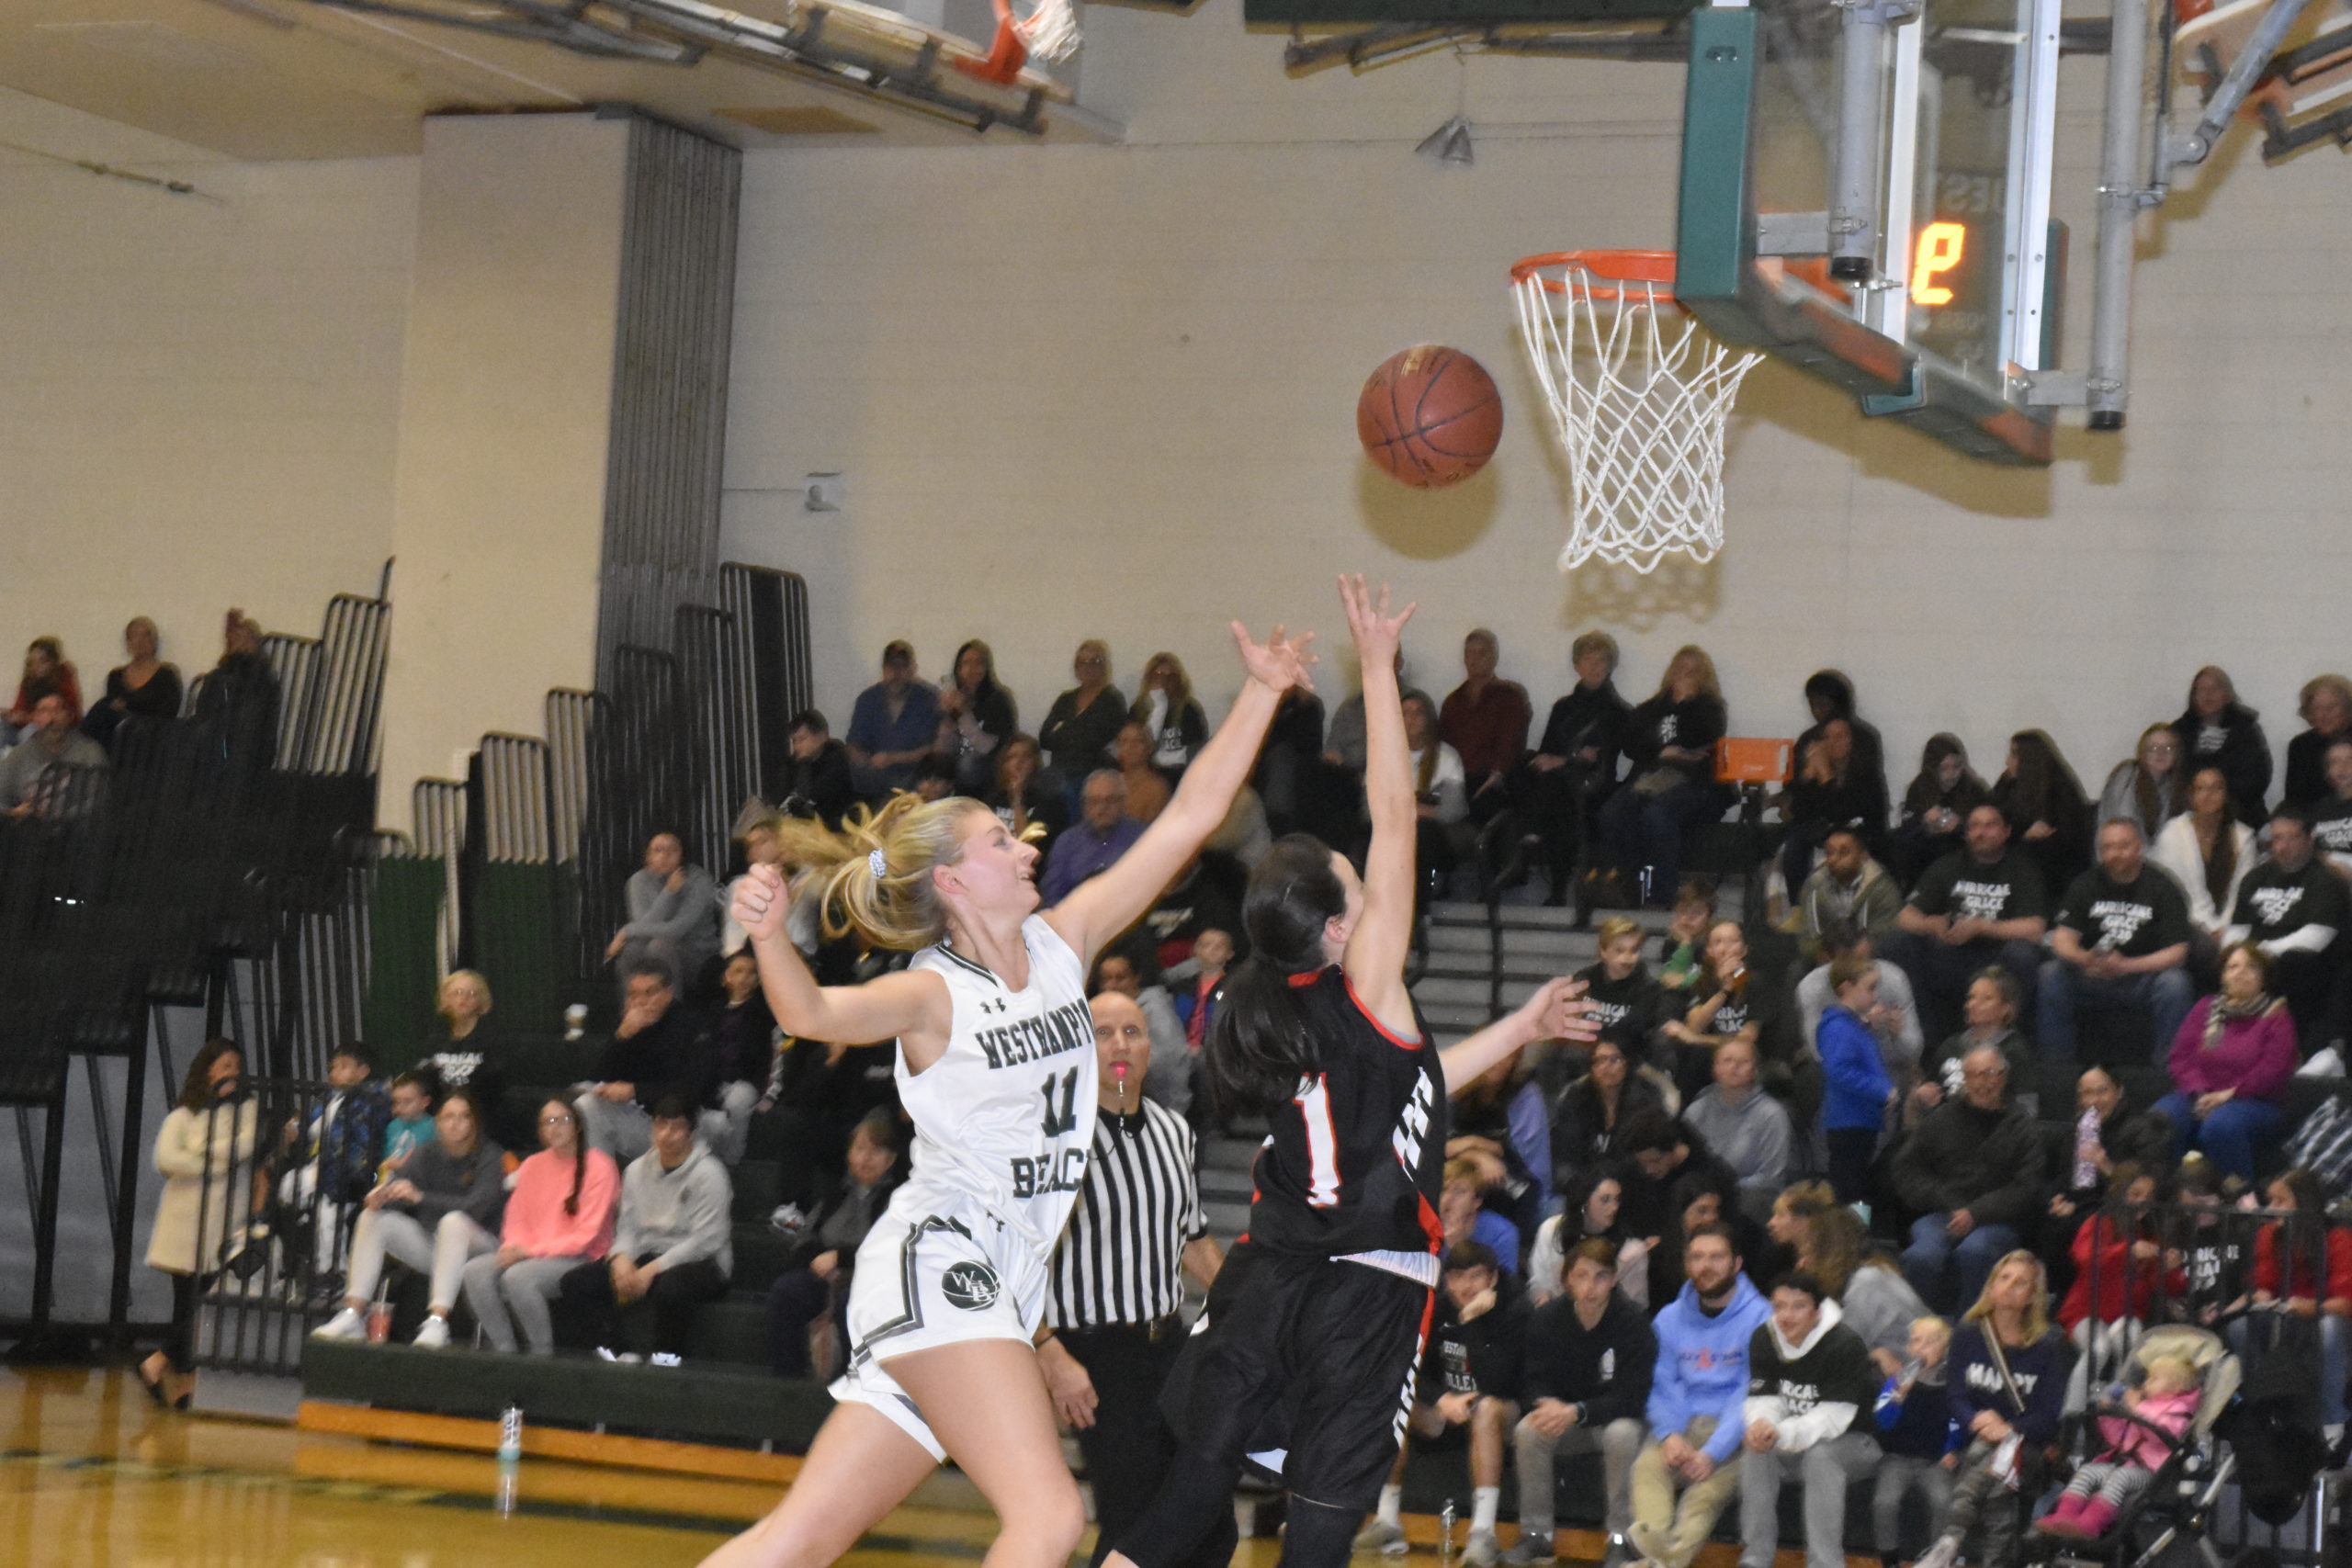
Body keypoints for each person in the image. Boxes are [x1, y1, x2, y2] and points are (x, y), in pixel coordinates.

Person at [698, 611, 1314, 1568]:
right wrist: (771, 933)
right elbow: (813, 1013)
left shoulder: (1064, 944)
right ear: (951, 882)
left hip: (999, 1275)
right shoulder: (930, 994)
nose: (1029, 847)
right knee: (1051, 1520)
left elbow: (1191, 814)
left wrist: (1266, 695)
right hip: (942, 1262)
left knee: (798, 1539)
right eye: (1000, 840)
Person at [1104, 580, 1594, 1568]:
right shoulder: (1368, 982)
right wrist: (1377, 666)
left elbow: (1415, 1088)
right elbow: (1395, 814)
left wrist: (1522, 1024)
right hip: (1364, 1287)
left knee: (1188, 1495)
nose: (1366, 875)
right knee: (1321, 1531)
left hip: (1270, 1271)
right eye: (1348, 874)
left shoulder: (1282, 1003)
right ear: (1336, 928)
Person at [1037, 992, 1223, 1567]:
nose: (1120, 1044)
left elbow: (1193, 1240)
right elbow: (1012, 1257)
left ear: (1151, 1047)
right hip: (1093, 1353)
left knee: (1207, 1524)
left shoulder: (1175, 1131)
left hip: (1167, 1344)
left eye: (1133, 1031)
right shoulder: (1052, 1134)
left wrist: (1247, 1313)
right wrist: (1050, 1354)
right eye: (1103, 1032)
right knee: (1133, 1522)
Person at [1362, 1243, 1530, 1565]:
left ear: (1493, 1278)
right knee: (1394, 1400)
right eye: (1457, 1278)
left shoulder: (1515, 1311)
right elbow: (1408, 1368)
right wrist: (1441, 1398)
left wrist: (1471, 1322)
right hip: (1450, 1409)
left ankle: (1483, 1533)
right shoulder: (1436, 1309)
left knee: (1486, 1408)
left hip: (1503, 1412)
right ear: (1446, 1280)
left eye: (1476, 1277)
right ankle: (1388, 1519)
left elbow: (1499, 1382)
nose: (1466, 1287)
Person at [311, 1087, 507, 1348]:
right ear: (438, 1122)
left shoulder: (490, 1155)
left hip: (481, 1248)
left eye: (464, 1117)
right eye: (448, 1117)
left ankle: (438, 1322)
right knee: (373, 1218)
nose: (455, 1124)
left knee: (453, 1222)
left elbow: (477, 1207)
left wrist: (421, 1198)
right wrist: (382, 1199)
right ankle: (353, 1314)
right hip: (436, 1247)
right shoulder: (426, 1153)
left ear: (474, 1122)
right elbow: (402, 1198)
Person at [1626, 1224, 1773, 1568]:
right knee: (1647, 1468)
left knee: (1702, 1498)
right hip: (1681, 1423)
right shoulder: (1669, 1318)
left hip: (1733, 1433)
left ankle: (1656, 1561)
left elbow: (1749, 1392)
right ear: (1687, 1264)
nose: (1706, 1266)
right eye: (1697, 1257)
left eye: (1716, 1257)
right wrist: (1670, 1434)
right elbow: (1662, 1383)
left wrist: (1711, 1453)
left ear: (1736, 1263)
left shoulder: (1761, 1317)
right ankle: (1659, 1555)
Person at [1505, 1237, 1657, 1567]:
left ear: (1615, 1279)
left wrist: (1578, 1411)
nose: (1591, 1286)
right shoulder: (1546, 1319)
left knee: (1623, 1434)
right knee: (1528, 1431)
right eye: (1582, 1276)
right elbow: (1531, 1380)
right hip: (1566, 1421)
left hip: (1612, 1420)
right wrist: (1545, 1406)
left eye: (1601, 1276)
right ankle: (1537, 1536)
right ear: (1566, 1278)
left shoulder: (1632, 1323)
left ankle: (1620, 1538)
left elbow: (1634, 1397)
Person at [1911, 1252, 2068, 1568]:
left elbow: (2049, 1415)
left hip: (2027, 1446)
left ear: (2032, 1297)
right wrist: (1976, 1419)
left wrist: (2010, 1429)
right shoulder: (1969, 1333)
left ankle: (1949, 1540)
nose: (2009, 1287)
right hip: (1977, 1435)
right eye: (2004, 1277)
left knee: (1989, 1455)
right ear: (1991, 1284)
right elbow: (1955, 1395)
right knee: (1997, 1486)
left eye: (2020, 1282)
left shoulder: (2050, 1344)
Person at [559, 1098, 733, 1362]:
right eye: (661, 1125)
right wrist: (621, 1259)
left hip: (703, 1263)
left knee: (671, 1288)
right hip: (648, 1253)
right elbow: (628, 1228)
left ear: (692, 1132)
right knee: (576, 1282)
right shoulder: (636, 1171)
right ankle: (616, 1353)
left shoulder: (711, 1173)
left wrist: (651, 1270)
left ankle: (666, 1357)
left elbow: (706, 1241)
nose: (667, 1135)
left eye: (677, 1128)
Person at [1736, 1272, 1883, 1568]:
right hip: (1793, 1438)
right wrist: (1762, 1425)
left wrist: (1779, 1432)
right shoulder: (1764, 1337)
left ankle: (1825, 1563)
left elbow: (1832, 1419)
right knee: (1756, 1449)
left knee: (1821, 1455)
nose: (1786, 1316)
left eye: (1798, 1307)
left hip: (1858, 1443)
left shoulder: (1844, 1344)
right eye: (1779, 1306)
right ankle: (1755, 1558)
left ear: (1817, 1312)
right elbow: (1763, 1398)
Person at [140, 1040, 254, 1410]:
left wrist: (202, 1152)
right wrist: (215, 1161)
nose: (231, 1072)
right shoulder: (183, 1115)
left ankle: (158, 1365)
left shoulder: (248, 1111)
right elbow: (166, 1159)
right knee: (187, 1307)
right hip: (185, 1224)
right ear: (207, 1071)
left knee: (208, 1305)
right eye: (224, 1065)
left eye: (236, 1065)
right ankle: (180, 1380)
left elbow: (246, 1146)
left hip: (224, 1223)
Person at [458, 1098, 620, 1355]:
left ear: (577, 1126)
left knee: (519, 1277)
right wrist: (513, 1247)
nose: (555, 1128)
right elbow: (516, 1218)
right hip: (531, 1252)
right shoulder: (533, 1165)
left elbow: (585, 1237)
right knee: (474, 1271)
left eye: (563, 1120)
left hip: (580, 1257)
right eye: (548, 1122)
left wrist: (530, 1253)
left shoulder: (599, 1165)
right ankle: (505, 1349)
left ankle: (542, 1354)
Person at [1893, 1048, 2044, 1314]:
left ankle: (1970, 1331)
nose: (1982, 1083)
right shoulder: (1941, 1118)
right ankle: (1918, 1331)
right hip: (1943, 1212)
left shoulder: (2023, 1126)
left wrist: (1975, 1213)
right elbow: (1906, 1169)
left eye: (1990, 1074)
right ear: (1964, 1080)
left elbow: (2027, 1186)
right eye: (1973, 1075)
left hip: (1997, 1220)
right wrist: (1947, 1201)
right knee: (1921, 1256)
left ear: (2003, 1077)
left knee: (1975, 1253)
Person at [1885, 804, 2048, 1047]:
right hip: (1953, 953)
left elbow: (2035, 928)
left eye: (1990, 825)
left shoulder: (2022, 869)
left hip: (1999, 958)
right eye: (1974, 826)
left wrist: (1982, 927)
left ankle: (2011, 1044)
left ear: (2006, 832)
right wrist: (1932, 924)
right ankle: (1924, 1043)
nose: (1981, 832)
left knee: (2023, 954)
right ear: (1967, 833)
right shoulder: (1947, 865)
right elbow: (1905, 917)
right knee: (1899, 943)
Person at [2038, 818, 2194, 1065]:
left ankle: (2168, 1071)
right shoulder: (2086, 883)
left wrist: (2126, 965)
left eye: (2123, 846)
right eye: (2108, 848)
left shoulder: (2163, 887)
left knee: (2175, 984)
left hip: (2141, 977)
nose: (2115, 854)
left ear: (2139, 848)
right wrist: (2084, 958)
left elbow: (2178, 952)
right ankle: (2057, 1067)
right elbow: (2062, 938)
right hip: (2093, 974)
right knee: (2051, 973)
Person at [767, 1109, 900, 1379]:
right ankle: (787, 1379)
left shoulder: (898, 1199)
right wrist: (819, 1258)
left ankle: (850, 1383)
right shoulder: (835, 1191)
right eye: (860, 1149)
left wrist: (841, 1258)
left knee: (851, 1305)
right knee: (787, 1291)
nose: (865, 1158)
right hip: (824, 1278)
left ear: (890, 1160)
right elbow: (806, 1237)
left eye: (875, 1152)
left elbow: (893, 1251)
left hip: (870, 1284)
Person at [1598, 646, 1728, 908]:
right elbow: (1630, 744)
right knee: (1611, 813)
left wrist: (1684, 705)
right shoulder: (1649, 708)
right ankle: (1626, 888)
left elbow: (1702, 737)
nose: (1686, 675)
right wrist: (1666, 751)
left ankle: (1662, 896)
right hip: (1647, 780)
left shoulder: (1711, 708)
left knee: (1657, 815)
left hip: (1692, 784)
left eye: (1694, 671)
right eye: (1681, 669)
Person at [2154, 942, 2297, 1180]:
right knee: (2162, 1119)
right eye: (2232, 967)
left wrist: (2229, 1095)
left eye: (2251, 967)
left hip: (2257, 1101)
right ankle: (2170, 1198)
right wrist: (2199, 1092)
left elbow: (2273, 1070)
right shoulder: (2204, 1008)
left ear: (2264, 978)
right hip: (2198, 1095)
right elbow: (2180, 1058)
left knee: (2220, 1126)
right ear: (2223, 976)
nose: (2240, 973)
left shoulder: (2277, 1015)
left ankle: (2241, 1203)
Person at [2034, 1353, 2203, 1540]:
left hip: (2151, 1472)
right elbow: (2119, 1439)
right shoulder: (2145, 1404)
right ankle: (2064, 1517)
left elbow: (2159, 1435)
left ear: (2176, 1387)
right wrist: (2108, 1414)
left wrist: (2136, 1408)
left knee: (2119, 1478)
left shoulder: (2178, 1412)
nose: (2146, 1383)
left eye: (2154, 1379)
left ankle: (2091, 1524)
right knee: (2088, 1471)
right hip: (2123, 1461)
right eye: (2147, 1377)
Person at [2223, 803, 2348, 1045]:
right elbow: (2237, 930)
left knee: (2295, 963)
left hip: (2308, 965)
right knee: (2223, 964)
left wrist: (2259, 955)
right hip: (2255, 959)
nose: (2283, 846)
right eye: (2278, 838)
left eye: (2292, 838)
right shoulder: (2255, 878)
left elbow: (2316, 937)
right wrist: (2237, 959)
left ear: (2310, 839)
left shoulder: (2326, 880)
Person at [1523, 630, 1632, 906]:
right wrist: (1551, 760)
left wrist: (1565, 761)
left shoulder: (1619, 710)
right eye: (1588, 660)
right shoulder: (1563, 707)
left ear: (1610, 666)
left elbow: (1599, 756)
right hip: (1560, 784)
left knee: (1555, 794)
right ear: (1576, 666)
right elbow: (1548, 746)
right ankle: (1554, 882)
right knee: (1528, 770)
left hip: (1594, 785)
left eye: (1601, 661)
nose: (1594, 667)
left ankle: (1534, 835)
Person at [2240, 1167, 2352, 1431]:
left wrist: (2311, 1307)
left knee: (2329, 1327)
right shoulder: (2268, 1234)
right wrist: (2258, 1297)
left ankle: (2333, 1420)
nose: (2272, 1208)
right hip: (2284, 1315)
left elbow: (2346, 1301)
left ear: (2304, 1203)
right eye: (2271, 1201)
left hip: (2328, 1315)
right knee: (2239, 1326)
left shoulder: (2337, 1236)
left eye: (2281, 1201)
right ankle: (2256, 1413)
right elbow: (2264, 1283)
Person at [2054, 1164, 2170, 1408]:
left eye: (2148, 1198)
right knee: (2099, 1347)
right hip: (2085, 1313)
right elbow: (2085, 1257)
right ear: (2119, 1193)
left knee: (2130, 1342)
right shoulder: (2099, 1223)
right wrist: (2126, 1251)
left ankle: (2114, 1412)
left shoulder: (2149, 1235)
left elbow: (2156, 1284)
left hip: (2127, 1315)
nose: (2142, 1203)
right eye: (2135, 1194)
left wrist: (2169, 1268)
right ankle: (2072, 1421)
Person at [575, 964, 718, 1162]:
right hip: (641, 1119)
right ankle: (601, 1182)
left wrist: (635, 1091)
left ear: (668, 994)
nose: (641, 1001)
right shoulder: (628, 1024)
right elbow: (596, 1075)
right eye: (634, 994)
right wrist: (622, 1036)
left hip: (685, 1124)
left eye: (650, 993)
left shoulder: (692, 1024)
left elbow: (692, 1089)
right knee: (586, 1102)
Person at [1662, 920, 1786, 1103]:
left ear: (1743, 950)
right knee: (1691, 1055)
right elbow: (1695, 1026)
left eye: (1732, 941)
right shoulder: (1702, 983)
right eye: (1718, 942)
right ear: (1709, 951)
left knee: (1700, 1050)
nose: (1725, 948)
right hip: (1713, 1057)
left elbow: (1745, 1040)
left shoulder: (1758, 983)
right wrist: (1724, 991)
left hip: (1752, 1057)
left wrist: (1697, 1039)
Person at [2151, 766, 2255, 980]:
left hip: (2232, 925)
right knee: (2204, 947)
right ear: (2191, 795)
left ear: (2226, 794)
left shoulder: (2243, 837)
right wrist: (2204, 927)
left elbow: (2243, 892)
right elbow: (2165, 892)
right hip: (2185, 923)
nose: (2209, 795)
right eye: (2202, 788)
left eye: (2217, 788)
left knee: (2241, 948)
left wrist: (2225, 930)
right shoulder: (2172, 834)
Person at [1871, 1316, 1955, 1568]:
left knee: (1943, 1500)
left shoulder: (1951, 1383)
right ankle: (1889, 1560)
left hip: (1934, 1460)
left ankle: (1938, 1559)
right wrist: (1899, 1394)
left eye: (1931, 1342)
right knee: (1884, 1502)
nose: (1922, 1347)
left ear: (1944, 1349)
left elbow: (1957, 1423)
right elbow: (1881, 1421)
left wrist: (1952, 1450)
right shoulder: (1898, 1380)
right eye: (1917, 1341)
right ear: (1908, 1347)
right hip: (1897, 1457)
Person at [1681, 1037, 1792, 1224]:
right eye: (1727, 1061)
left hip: (1750, 1200)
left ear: (1755, 1070)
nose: (1734, 1067)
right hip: (1702, 1195)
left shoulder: (1772, 1115)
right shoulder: (1696, 1111)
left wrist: (1724, 1189)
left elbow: (1771, 1177)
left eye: (1743, 1062)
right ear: (1715, 1068)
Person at [1818, 955, 1895, 1206]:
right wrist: (1883, 1091)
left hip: (1859, 1120)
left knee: (1855, 1189)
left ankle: (1853, 1237)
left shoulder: (1851, 1026)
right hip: (1849, 1121)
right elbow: (1839, 1070)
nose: (1874, 996)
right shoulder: (1838, 1027)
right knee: (1849, 1192)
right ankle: (1847, 1240)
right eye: (1870, 988)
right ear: (1846, 988)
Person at [605, 830, 722, 994]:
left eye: (672, 850)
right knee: (631, 950)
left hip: (699, 956)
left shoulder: (699, 880)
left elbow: (677, 930)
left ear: (682, 855)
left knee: (661, 946)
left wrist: (626, 931)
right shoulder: (638, 881)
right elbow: (643, 927)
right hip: (653, 950)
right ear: (647, 856)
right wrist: (669, 892)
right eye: (658, 850)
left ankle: (671, 1013)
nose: (665, 856)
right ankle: (632, 1011)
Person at [1784, 719, 1891, 895]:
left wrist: (1826, 777)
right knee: (1794, 844)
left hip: (1860, 832)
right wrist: (1807, 776)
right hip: (1823, 832)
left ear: (1851, 741)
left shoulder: (1866, 774)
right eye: (1827, 738)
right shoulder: (1817, 768)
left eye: (1840, 736)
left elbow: (1843, 813)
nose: (1832, 742)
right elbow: (1799, 812)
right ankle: (1799, 906)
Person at [1439, 627, 1532, 825]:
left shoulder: (1509, 696)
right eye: (1469, 653)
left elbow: (1511, 741)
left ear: (1494, 657)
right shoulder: (1453, 701)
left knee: (1487, 807)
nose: (1475, 659)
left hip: (1492, 779)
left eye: (1482, 653)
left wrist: (1497, 774)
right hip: (1455, 779)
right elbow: (1442, 745)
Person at [1991, 728, 2091, 895]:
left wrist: (2036, 839)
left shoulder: (2061, 794)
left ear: (2029, 760)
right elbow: (1995, 825)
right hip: (2008, 874)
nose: (2007, 762)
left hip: (2053, 882)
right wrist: (2023, 836)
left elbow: (2069, 849)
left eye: (2014, 755)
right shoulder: (2005, 786)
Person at [2173, 665, 2271, 828]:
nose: (2208, 695)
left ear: (2227, 694)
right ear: (2193, 696)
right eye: (2201, 690)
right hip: (2189, 818)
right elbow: (2175, 780)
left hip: (2241, 817)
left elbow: (2258, 778)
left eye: (2214, 688)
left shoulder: (2247, 729)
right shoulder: (2179, 731)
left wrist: (2219, 803)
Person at [844, 640, 942, 798]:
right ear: (883, 669)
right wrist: (858, 756)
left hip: (914, 774)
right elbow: (853, 743)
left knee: (926, 777)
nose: (896, 673)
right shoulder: (867, 699)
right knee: (854, 772)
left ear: (912, 669)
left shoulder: (929, 699)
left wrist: (893, 759)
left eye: (902, 666)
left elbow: (933, 749)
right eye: (891, 666)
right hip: (877, 775)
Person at [1398, 691, 1470, 894]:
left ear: (1428, 719)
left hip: (1437, 833)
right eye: (1405, 713)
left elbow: (1453, 810)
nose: (1411, 719)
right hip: (1393, 829)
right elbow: (1368, 809)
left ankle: (1420, 908)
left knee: (1421, 833)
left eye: (1418, 713)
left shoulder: (1446, 756)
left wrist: (1415, 811)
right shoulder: (1385, 755)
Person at [1795, 828, 1902, 964]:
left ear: (1863, 856)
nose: (1833, 859)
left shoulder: (1881, 887)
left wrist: (1868, 947)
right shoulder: (1813, 887)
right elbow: (1808, 933)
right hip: (1827, 960)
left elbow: (1888, 930)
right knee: (1797, 970)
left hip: (1874, 959)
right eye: (1829, 853)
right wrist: (1819, 953)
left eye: (1844, 852)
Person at [1575, 916, 1668, 1067]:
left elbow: (1629, 1034)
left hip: (1626, 1060)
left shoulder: (1649, 988)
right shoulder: (1584, 979)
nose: (1628, 958)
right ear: (1603, 951)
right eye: (1619, 950)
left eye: (1634, 950)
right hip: (1586, 1055)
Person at [1041, 770, 1146, 904]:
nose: (1102, 807)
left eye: (1110, 800)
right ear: (1084, 806)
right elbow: (1051, 896)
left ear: (1123, 802)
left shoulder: (1142, 837)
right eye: (1094, 801)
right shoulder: (1067, 842)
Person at [1894, 734, 1988, 884]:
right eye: (1944, 768)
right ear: (1932, 768)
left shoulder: (1973, 790)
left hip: (1962, 861)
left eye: (1957, 767)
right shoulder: (1919, 788)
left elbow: (1987, 834)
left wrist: (1960, 827)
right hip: (1926, 863)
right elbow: (1905, 834)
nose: (1951, 774)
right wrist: (1925, 825)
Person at [192, 609, 279, 770]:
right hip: (214, 752)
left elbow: (257, 718)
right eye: (236, 638)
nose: (240, 643)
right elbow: (204, 713)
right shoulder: (217, 677)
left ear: (255, 643)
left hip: (245, 755)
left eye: (246, 638)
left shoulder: (262, 678)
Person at [82, 615, 182, 750]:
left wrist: (130, 714)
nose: (140, 641)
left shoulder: (166, 676)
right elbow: (111, 710)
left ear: (154, 641)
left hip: (151, 740)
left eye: (146, 635)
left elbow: (167, 717)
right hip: (118, 738)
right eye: (134, 636)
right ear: (128, 642)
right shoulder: (115, 676)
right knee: (102, 709)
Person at [0, 689, 107, 816]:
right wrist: (13, 813)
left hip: (74, 830)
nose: (51, 718)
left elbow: (99, 800)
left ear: (69, 716)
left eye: (58, 710)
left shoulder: (90, 752)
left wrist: (59, 816)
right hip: (27, 828)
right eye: (44, 711)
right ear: (34, 717)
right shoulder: (18, 756)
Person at [416, 969, 503, 1115]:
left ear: (481, 1001)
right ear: (445, 999)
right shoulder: (435, 1039)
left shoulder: (492, 1039)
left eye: (471, 994)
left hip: (480, 1116)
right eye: (457, 993)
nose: (463, 999)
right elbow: (424, 1080)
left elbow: (494, 1088)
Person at [1039, 639, 1128, 783]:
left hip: (1093, 775)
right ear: (1076, 668)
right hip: (1058, 774)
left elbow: (1094, 742)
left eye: (1095, 661)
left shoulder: (1112, 700)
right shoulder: (1065, 699)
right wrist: (1077, 734)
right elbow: (1044, 738)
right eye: (1083, 662)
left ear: (1105, 666)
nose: (1088, 667)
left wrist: (1063, 731)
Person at [936, 638, 1017, 795]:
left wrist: (963, 714)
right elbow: (943, 748)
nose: (972, 669)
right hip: (960, 762)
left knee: (968, 764)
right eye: (966, 663)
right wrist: (946, 716)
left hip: (990, 764)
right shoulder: (954, 696)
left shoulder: (998, 699)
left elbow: (986, 747)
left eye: (978, 663)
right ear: (958, 669)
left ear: (987, 668)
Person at [2097, 725, 2186, 845]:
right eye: (2153, 748)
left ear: (2176, 754)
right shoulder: (2126, 777)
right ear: (2142, 753)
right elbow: (2125, 832)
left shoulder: (2171, 786)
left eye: (2168, 748)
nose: (2161, 753)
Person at [988, 733, 1071, 856]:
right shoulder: (994, 798)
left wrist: (1017, 798)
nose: (1018, 763)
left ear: (1035, 763)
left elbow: (1028, 848)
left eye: (1026, 757)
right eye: (1012, 757)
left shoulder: (1048, 802)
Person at [1131, 651, 1208, 781]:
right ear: (1149, 678)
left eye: (1171, 676)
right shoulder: (1138, 709)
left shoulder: (1189, 709)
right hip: (1146, 779)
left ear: (1178, 681)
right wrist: (1158, 707)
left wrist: (1161, 759)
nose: (1165, 681)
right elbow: (1139, 751)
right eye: (1159, 675)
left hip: (1180, 778)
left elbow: (1196, 751)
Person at [780, 709, 856, 829]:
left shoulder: (837, 759)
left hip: (833, 826)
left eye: (802, 739)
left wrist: (804, 763)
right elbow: (780, 795)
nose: (797, 746)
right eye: (794, 741)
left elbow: (808, 796)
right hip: (801, 824)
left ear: (822, 737)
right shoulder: (792, 762)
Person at [2286, 674, 2352, 808]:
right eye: (2316, 709)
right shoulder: (2300, 746)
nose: (2323, 715)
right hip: (2315, 820)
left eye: (2331, 707)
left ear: (2348, 708)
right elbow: (2294, 800)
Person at [6, 635, 81, 729]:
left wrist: (28, 718)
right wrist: (12, 715)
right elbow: (19, 708)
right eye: (32, 662)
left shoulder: (64, 678)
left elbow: (68, 715)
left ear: (54, 661)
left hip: (58, 730)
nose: (36, 666)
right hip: (26, 725)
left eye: (43, 661)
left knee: (31, 730)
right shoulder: (29, 681)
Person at [1113, 722, 1173, 824]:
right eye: (1125, 741)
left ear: (1149, 748)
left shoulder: (1157, 789)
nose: (1131, 746)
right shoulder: (1108, 784)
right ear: (1117, 749)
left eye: (1138, 741)